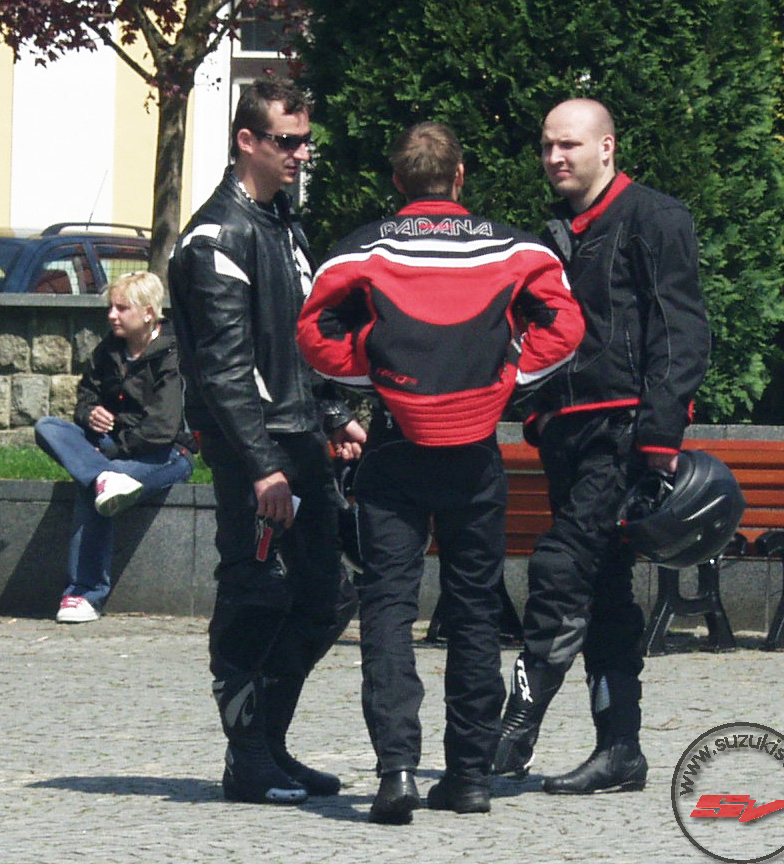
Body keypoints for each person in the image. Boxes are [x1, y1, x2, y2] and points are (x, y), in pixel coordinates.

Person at [297, 121, 585, 823]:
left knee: (388, 607)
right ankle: (469, 776)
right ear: (460, 177)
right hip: (474, 448)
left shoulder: (361, 250)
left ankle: (396, 770)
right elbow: (566, 325)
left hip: (395, 443)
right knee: (475, 608)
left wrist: (376, 375)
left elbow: (313, 334)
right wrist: (507, 378)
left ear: (398, 183)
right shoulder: (515, 248)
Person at [492, 98, 711, 793]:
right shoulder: (554, 235)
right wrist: (535, 414)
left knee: (560, 567)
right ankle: (620, 750)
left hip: (622, 432)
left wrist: (658, 439)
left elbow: (680, 331)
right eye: (547, 146)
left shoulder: (655, 218)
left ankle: (511, 730)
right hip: (567, 431)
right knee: (606, 593)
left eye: (570, 145)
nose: (555, 157)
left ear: (607, 147)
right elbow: (537, 335)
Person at [167, 77, 367, 806]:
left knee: (327, 594)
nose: (301, 154)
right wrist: (260, 469)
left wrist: (334, 411)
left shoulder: (283, 223)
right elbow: (223, 371)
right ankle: (247, 758)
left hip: (297, 438)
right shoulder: (217, 237)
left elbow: (301, 337)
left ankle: (268, 745)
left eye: (305, 141)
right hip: (254, 450)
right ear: (246, 140)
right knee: (255, 593)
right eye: (287, 141)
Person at [35, 271, 195, 623]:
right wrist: (89, 413)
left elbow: (162, 428)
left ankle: (84, 595)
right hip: (111, 446)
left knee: (95, 490)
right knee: (48, 427)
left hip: (166, 454)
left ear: (149, 312)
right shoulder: (109, 349)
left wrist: (109, 455)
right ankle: (102, 476)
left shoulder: (173, 355)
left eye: (122, 308)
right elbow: (86, 395)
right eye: (111, 307)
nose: (111, 315)